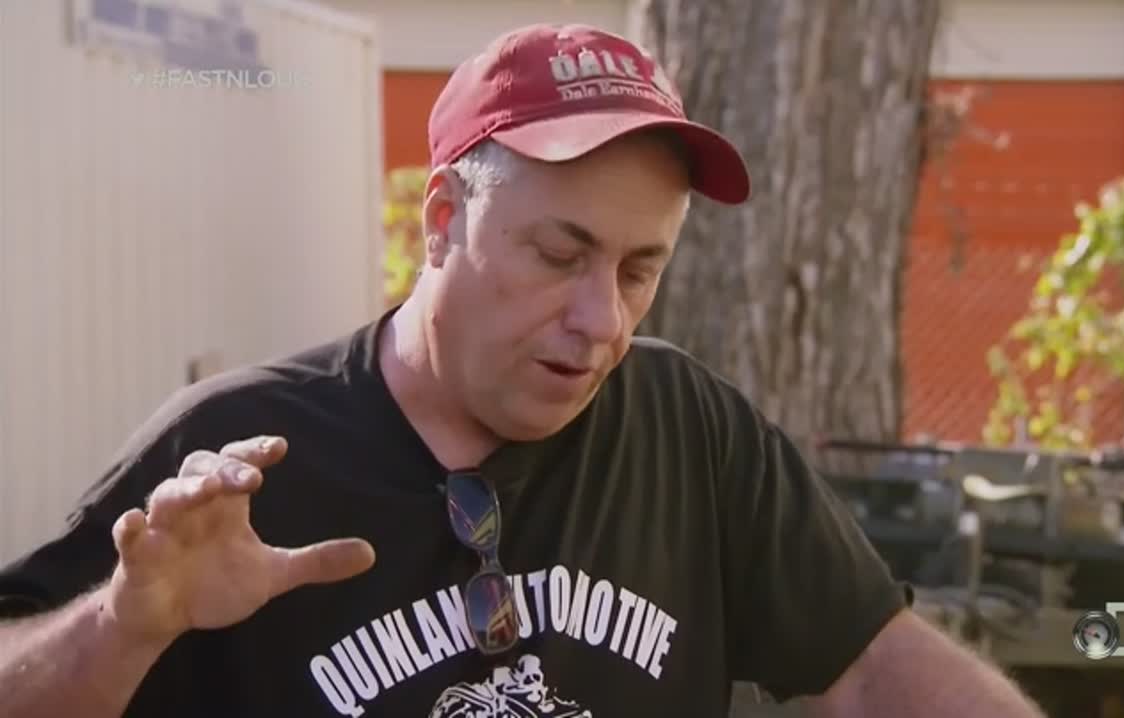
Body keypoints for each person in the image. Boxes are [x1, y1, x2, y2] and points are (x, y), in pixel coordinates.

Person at [0, 22, 1046, 718]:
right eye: (558, 254)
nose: (602, 321)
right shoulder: (237, 455)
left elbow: (871, 665)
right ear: (443, 220)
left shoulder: (687, 429)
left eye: (639, 270)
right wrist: (124, 625)